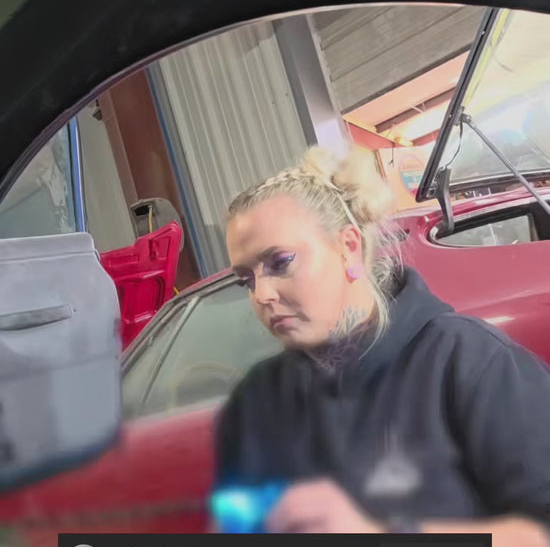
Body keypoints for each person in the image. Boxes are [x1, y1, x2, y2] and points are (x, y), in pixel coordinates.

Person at [214, 145, 550, 544]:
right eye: (246, 279)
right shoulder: (257, 398)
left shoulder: (470, 362)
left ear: (348, 247)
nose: (261, 294)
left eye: (280, 263)